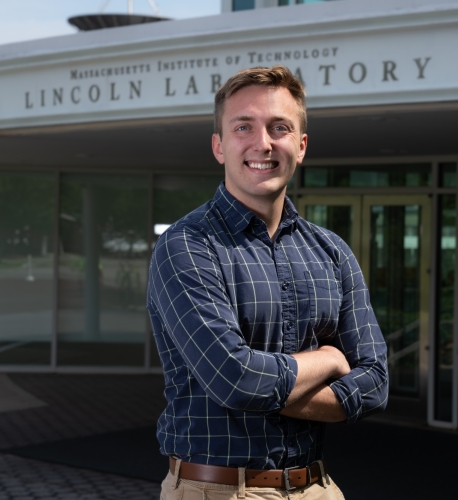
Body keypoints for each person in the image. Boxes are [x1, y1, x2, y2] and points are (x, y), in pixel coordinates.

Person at [147, 65, 388, 500]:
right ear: (219, 146)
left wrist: (264, 389)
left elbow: (375, 382)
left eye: (280, 127)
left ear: (301, 145)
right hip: (215, 489)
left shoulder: (331, 251)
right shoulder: (187, 246)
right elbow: (234, 379)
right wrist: (330, 360)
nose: (263, 143)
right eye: (244, 127)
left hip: (318, 487)